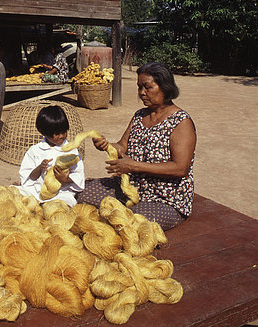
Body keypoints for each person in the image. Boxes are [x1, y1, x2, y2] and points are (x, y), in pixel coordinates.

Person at [77, 62, 196, 230]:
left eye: (147, 87)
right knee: (79, 191)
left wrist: (133, 166)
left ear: (165, 86)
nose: (141, 93)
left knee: (126, 224)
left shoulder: (181, 122)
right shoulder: (140, 116)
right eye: (139, 87)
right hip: (131, 188)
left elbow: (180, 168)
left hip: (165, 199)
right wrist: (106, 145)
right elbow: (122, 146)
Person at [15, 105, 85, 207]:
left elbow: (78, 175)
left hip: (60, 194)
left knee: (63, 206)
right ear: (45, 133)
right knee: (14, 193)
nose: (61, 136)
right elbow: (28, 177)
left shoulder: (71, 151)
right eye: (56, 134)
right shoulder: (35, 151)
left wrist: (65, 179)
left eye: (64, 131)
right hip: (35, 192)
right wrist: (39, 168)